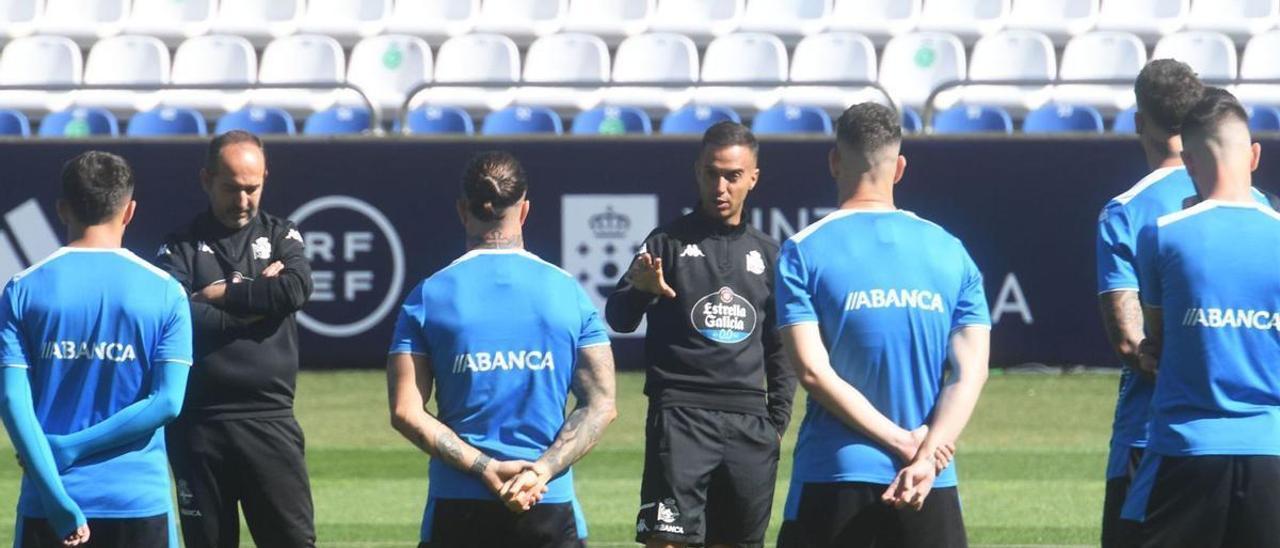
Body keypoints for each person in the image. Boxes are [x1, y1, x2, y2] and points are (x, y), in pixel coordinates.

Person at [774, 103, 989, 548]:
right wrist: (926, 454)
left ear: (835, 161)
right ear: (900, 168)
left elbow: (813, 372)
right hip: (928, 479)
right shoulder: (950, 250)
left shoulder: (802, 250)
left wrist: (903, 442)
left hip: (834, 473)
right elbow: (971, 372)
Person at [387, 150, 618, 548]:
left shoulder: (428, 296)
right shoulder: (568, 292)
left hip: (458, 502)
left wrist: (485, 468)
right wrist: (540, 472)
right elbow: (601, 405)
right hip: (547, 500)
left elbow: (406, 411)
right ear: (524, 210)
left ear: (463, 209)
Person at [1093, 60, 1278, 547]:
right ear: (1253, 154)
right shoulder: (1267, 211)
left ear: (1140, 122)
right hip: (1267, 444)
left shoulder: (1132, 213)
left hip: (1162, 438)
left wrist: (1178, 353)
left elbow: (1132, 341)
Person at [605, 122, 796, 548]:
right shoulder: (666, 243)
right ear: (697, 172)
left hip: (749, 423)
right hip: (681, 415)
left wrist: (776, 423)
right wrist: (641, 290)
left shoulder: (769, 254)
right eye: (712, 173)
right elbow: (617, 317)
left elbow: (781, 349)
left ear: (753, 178)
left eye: (733, 176)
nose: (721, 186)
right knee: (667, 541)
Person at [0, 151, 193, 547]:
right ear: (129, 211)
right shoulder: (166, 292)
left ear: (61, 209)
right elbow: (168, 402)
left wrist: (57, 498)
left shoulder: (22, 288)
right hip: (137, 500)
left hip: (47, 501)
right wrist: (72, 448)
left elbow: (11, 400)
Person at [155, 130, 315, 548]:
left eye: (253, 188)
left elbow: (294, 290)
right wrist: (259, 310)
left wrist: (222, 295)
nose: (243, 201)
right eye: (232, 188)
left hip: (270, 420)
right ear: (206, 179)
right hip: (199, 426)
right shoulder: (179, 246)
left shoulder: (283, 234)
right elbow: (178, 316)